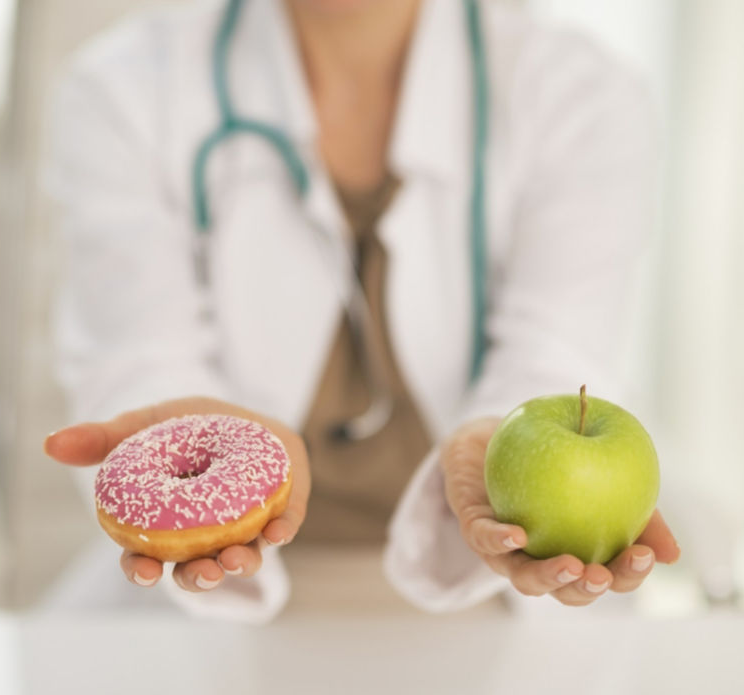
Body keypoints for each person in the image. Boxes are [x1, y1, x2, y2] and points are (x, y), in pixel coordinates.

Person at [42, 0, 680, 622]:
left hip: (486, 595)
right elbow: (139, 355)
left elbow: (557, 356)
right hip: (215, 603)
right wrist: (197, 447)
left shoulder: (581, 93)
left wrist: (505, 465)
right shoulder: (124, 89)